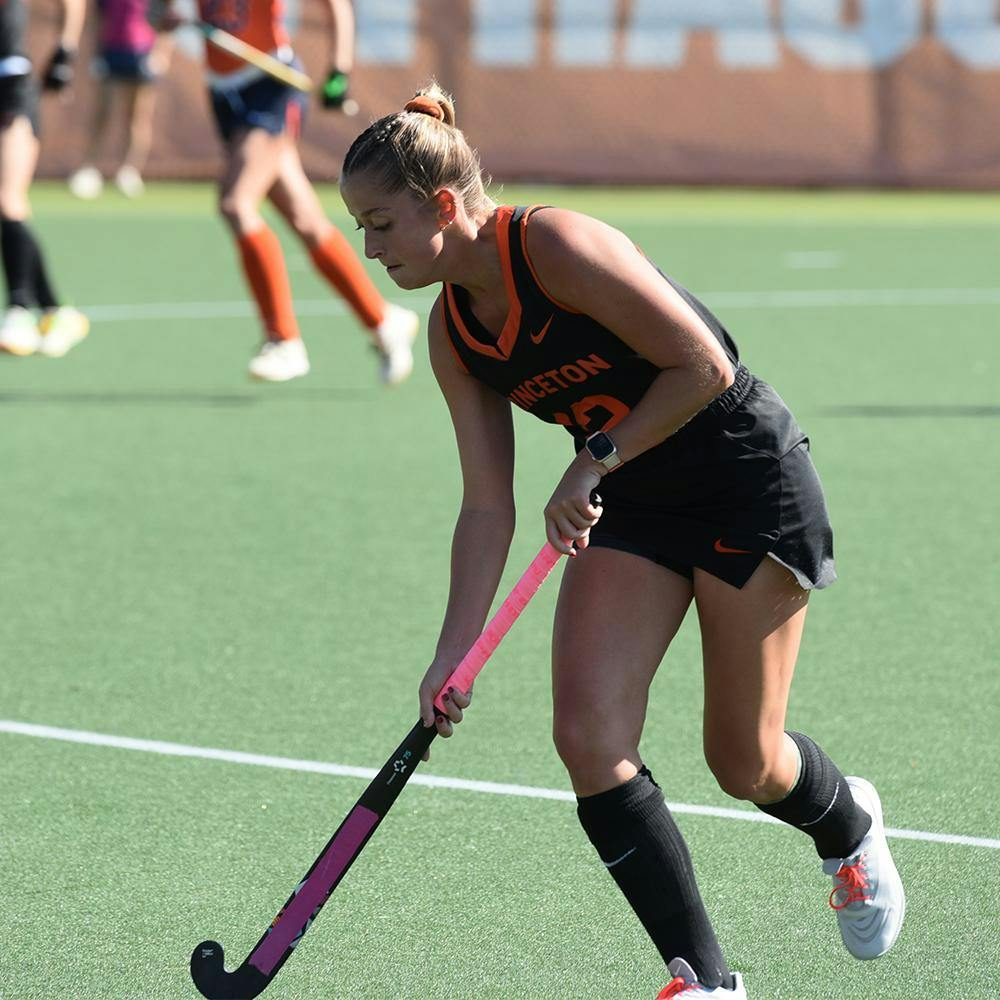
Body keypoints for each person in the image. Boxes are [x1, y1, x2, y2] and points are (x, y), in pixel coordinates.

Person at [338, 85, 906, 998]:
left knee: (745, 762)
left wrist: (593, 458)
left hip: (742, 479)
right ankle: (706, 981)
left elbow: (705, 366)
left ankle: (847, 825)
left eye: (380, 224)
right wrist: (454, 652)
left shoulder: (555, 247)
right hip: (634, 502)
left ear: (442, 205)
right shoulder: (453, 333)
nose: (370, 250)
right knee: (588, 737)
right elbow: (485, 504)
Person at [156, 0, 417, 384]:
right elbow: (160, 13)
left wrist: (339, 69)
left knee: (236, 204)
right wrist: (164, 18)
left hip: (269, 83)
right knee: (305, 221)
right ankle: (382, 320)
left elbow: (336, 7)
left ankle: (283, 339)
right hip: (224, 92)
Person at [0, 0, 90, 358]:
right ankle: (56, 310)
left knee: (7, 198)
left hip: (10, 86)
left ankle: (19, 310)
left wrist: (65, 52)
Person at [67, 0, 170, 200]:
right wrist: (96, 55)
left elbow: (167, 21)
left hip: (143, 54)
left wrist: (161, 54)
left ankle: (129, 171)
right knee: (102, 114)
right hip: (112, 52)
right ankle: (89, 169)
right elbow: (98, 21)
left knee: (137, 118)